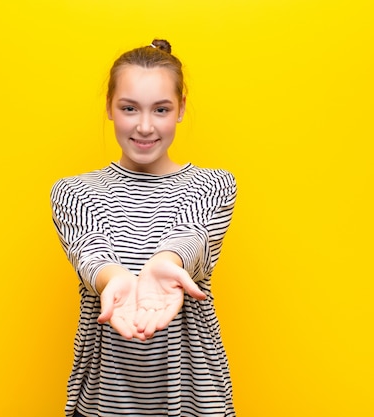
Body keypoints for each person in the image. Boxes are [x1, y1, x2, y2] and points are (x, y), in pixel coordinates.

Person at [50, 38, 237, 417]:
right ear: (109, 108)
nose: (146, 126)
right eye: (130, 108)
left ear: (181, 109)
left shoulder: (214, 185)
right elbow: (89, 248)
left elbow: (192, 234)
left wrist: (165, 263)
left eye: (162, 109)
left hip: (193, 393)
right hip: (106, 395)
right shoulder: (73, 191)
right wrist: (114, 277)